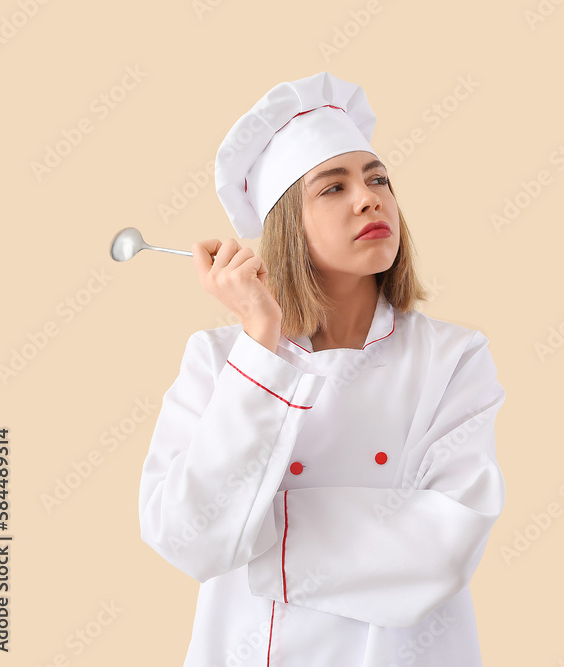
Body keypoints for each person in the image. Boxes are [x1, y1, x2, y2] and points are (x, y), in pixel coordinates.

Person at [137, 72, 507, 667]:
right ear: (288, 226)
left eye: (378, 178)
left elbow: (445, 547)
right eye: (333, 188)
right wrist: (259, 339)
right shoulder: (216, 360)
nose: (370, 197)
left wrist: (253, 534)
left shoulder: (452, 358)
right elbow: (185, 536)